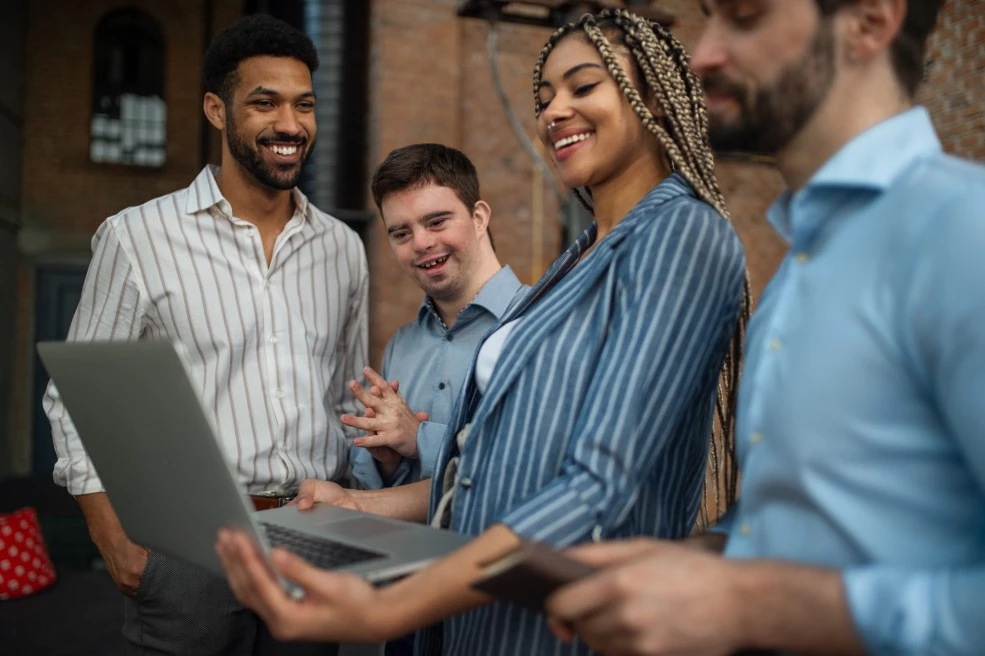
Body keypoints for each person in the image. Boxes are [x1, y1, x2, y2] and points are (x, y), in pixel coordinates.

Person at [215, 9, 749, 656]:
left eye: (582, 87)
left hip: (561, 628)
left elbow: (598, 487)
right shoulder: (581, 255)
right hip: (483, 621)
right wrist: (357, 509)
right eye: (545, 96)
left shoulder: (678, 234)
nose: (554, 111)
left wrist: (390, 609)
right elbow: (494, 469)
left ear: (654, 99)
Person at [544, 1, 985, 655]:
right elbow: (814, 526)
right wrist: (704, 559)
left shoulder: (959, 233)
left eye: (744, 16)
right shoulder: (796, 273)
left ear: (868, 19)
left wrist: (752, 605)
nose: (702, 55)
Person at [42, 14, 366, 656]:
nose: (290, 125)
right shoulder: (136, 237)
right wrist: (114, 540)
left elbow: (346, 400)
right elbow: (76, 398)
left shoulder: (343, 248)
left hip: (313, 537)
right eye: (265, 103)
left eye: (304, 105)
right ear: (217, 111)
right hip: (187, 548)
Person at [347, 144, 525, 490]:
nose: (421, 243)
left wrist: (420, 440)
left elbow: (529, 464)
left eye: (437, 222)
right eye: (401, 233)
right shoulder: (402, 345)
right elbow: (367, 483)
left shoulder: (541, 321)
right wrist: (388, 459)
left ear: (479, 218)